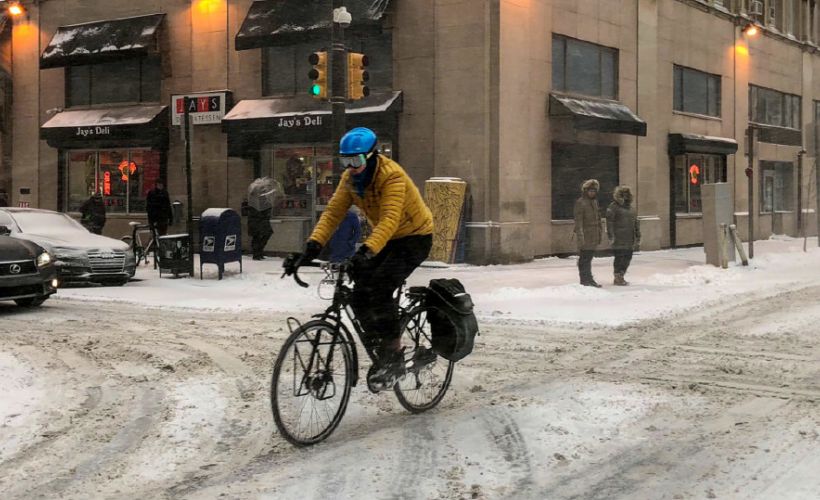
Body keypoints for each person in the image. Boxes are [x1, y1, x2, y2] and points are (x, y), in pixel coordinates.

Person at [284, 127, 434, 391]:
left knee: (380, 287)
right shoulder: (350, 180)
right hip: (386, 239)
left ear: (372, 156)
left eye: (357, 161)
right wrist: (311, 247)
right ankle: (380, 341)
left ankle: (394, 355)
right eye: (346, 161)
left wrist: (365, 252)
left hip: (414, 236)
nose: (351, 167)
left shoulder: (392, 177)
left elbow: (390, 219)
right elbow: (332, 213)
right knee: (359, 290)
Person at [606, 186, 641, 286]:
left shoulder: (631, 208)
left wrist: (638, 235)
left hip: (629, 238)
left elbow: (636, 222)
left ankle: (621, 274)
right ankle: (617, 277)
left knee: (628, 257)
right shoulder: (613, 206)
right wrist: (611, 236)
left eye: (627, 194)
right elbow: (609, 222)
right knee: (619, 257)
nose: (625, 196)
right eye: (623, 194)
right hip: (618, 238)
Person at [574, 179, 602, 287]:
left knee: (589, 257)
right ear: (586, 191)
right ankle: (584, 279)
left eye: (594, 191)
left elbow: (598, 219)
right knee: (584, 258)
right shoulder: (581, 202)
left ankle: (589, 278)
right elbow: (578, 221)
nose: (592, 193)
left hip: (593, 235)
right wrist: (581, 237)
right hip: (585, 234)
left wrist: (599, 233)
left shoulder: (594, 202)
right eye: (590, 191)